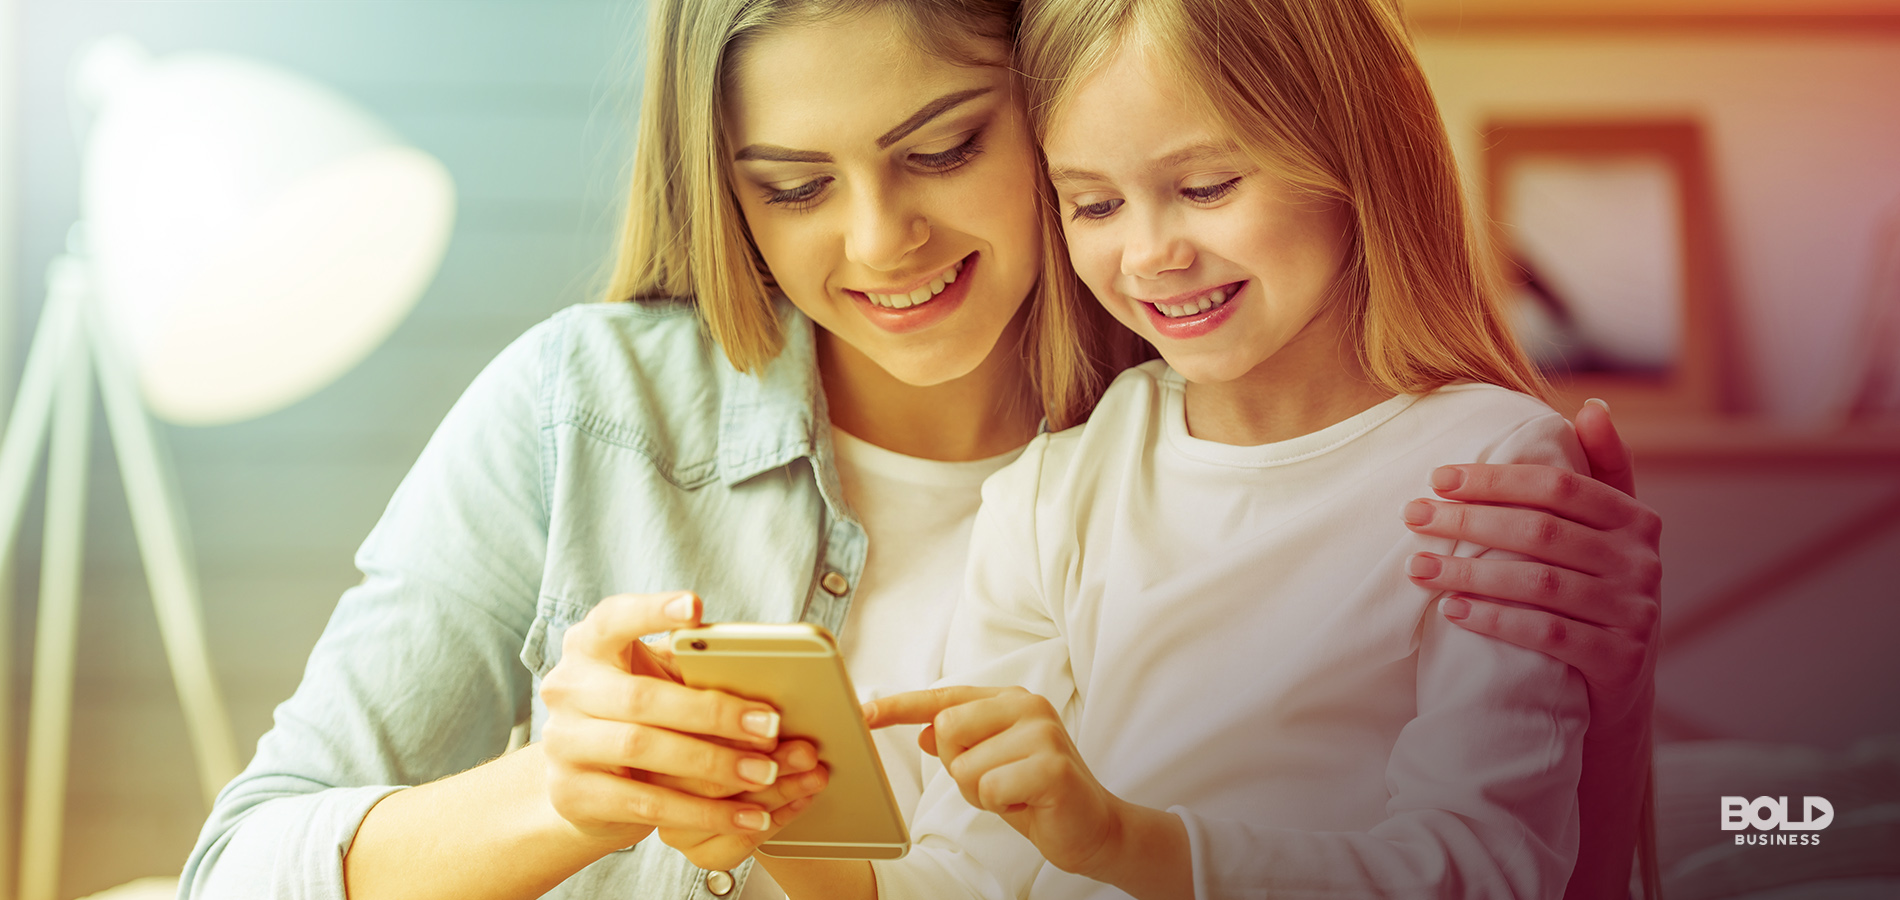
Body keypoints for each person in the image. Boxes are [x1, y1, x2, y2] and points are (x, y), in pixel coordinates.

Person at [179, 1, 1662, 898]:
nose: (880, 244)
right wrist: (569, 791)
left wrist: (1610, 697)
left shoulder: (1205, 426)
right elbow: (240, 869)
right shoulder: (591, 414)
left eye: (945, 147)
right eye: (791, 185)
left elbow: (1508, 858)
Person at [672, 0, 1662, 897]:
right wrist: (780, 824)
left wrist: (1125, 844)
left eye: (1203, 184)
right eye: (1093, 204)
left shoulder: (1492, 473)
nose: (1149, 253)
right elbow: (963, 878)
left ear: (1350, 147)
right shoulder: (1052, 493)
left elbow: (1483, 870)